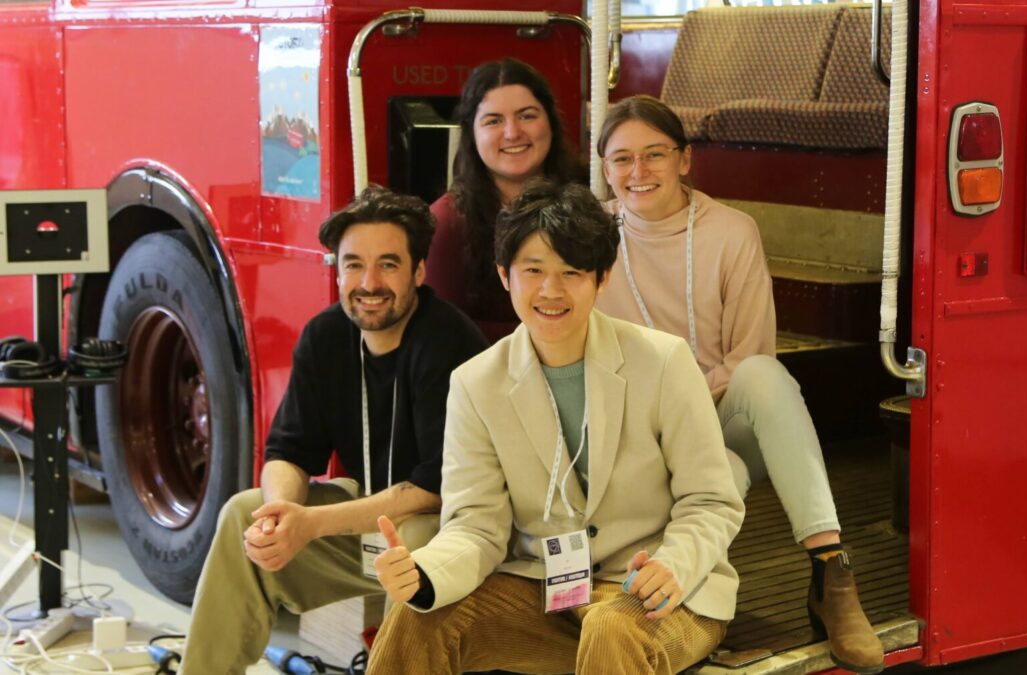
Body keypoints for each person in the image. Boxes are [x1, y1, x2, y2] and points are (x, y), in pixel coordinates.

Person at [365, 180, 745, 675]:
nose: (551, 290)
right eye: (533, 271)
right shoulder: (476, 383)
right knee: (417, 618)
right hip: (544, 590)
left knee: (611, 628)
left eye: (571, 272)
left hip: (654, 593)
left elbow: (711, 500)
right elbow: (476, 525)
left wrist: (673, 563)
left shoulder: (664, 361)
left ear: (602, 278)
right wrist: (423, 574)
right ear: (505, 276)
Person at [594, 95, 884, 674]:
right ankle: (692, 619)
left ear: (685, 160)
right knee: (719, 478)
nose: (638, 172)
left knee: (764, 374)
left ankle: (833, 574)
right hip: (639, 437)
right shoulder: (591, 237)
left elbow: (748, 355)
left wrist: (680, 410)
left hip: (720, 413)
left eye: (655, 154)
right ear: (604, 168)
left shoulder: (731, 231)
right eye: (621, 158)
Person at [178, 186, 488, 674]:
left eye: (388, 264)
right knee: (244, 512)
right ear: (337, 270)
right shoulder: (325, 336)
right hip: (370, 522)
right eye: (352, 264)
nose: (369, 282)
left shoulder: (447, 342)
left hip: (452, 531)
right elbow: (288, 450)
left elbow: (436, 489)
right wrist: (280, 516)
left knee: (419, 536)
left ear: (419, 272)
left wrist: (311, 525)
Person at [424, 58, 586, 343]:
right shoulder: (448, 223)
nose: (512, 132)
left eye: (526, 116)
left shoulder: (591, 199)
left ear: (551, 121)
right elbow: (440, 336)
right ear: (472, 134)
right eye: (494, 121)